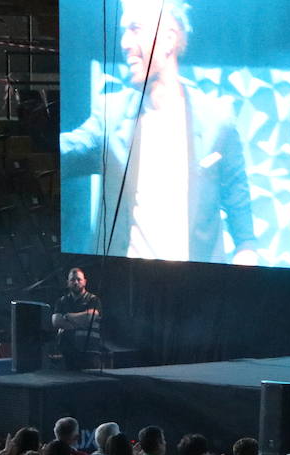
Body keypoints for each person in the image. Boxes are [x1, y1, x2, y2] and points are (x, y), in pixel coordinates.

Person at [59, 0, 256, 265]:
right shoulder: (111, 114)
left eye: (135, 28)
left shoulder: (217, 119)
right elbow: (67, 152)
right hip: (128, 286)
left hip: (196, 288)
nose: (125, 43)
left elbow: (242, 221)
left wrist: (244, 262)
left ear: (169, 39)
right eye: (124, 32)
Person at [53, 268, 104, 371]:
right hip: (67, 353)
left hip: (90, 353)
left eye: (79, 279)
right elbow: (56, 322)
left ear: (84, 282)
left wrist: (67, 317)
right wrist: (81, 322)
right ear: (68, 283)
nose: (76, 282)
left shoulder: (94, 300)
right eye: (72, 280)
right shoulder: (61, 301)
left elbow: (90, 317)